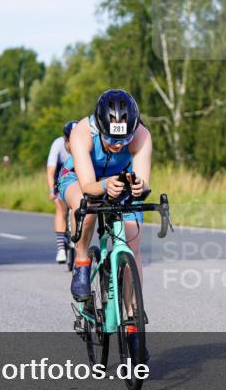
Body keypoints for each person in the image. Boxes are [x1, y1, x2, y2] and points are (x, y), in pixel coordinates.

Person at [57, 90, 151, 304]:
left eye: (125, 138)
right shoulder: (81, 132)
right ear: (99, 127)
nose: (118, 144)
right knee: (85, 202)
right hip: (80, 178)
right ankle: (81, 264)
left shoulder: (142, 135)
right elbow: (88, 186)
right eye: (110, 137)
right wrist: (105, 185)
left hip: (119, 180)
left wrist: (139, 188)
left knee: (132, 247)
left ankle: (131, 314)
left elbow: (144, 182)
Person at [47, 121, 76, 264]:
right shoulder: (57, 145)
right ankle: (60, 249)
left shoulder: (83, 143)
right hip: (60, 176)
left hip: (77, 177)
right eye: (72, 141)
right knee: (60, 209)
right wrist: (52, 190)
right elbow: (50, 170)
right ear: (66, 140)